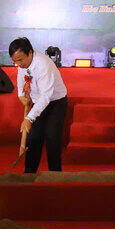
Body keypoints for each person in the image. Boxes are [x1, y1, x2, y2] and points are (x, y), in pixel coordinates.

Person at [11, 37, 68, 173]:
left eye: (20, 60)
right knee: (33, 139)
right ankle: (29, 174)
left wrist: (29, 118)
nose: (18, 64)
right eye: (15, 61)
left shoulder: (43, 65)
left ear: (30, 53)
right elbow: (21, 76)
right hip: (38, 103)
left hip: (56, 102)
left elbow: (46, 96)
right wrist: (21, 94)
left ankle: (55, 176)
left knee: (52, 138)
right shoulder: (22, 62)